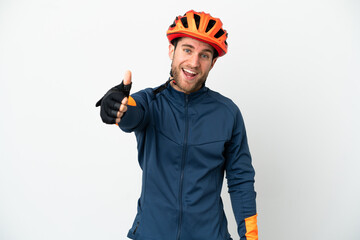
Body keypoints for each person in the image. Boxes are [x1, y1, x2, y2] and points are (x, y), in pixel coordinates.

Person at [96, 10, 258, 240]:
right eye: (187, 50)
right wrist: (116, 106)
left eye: (204, 55)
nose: (193, 62)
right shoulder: (149, 102)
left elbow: (240, 179)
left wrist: (250, 237)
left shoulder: (227, 113)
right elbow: (131, 114)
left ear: (213, 62)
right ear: (172, 50)